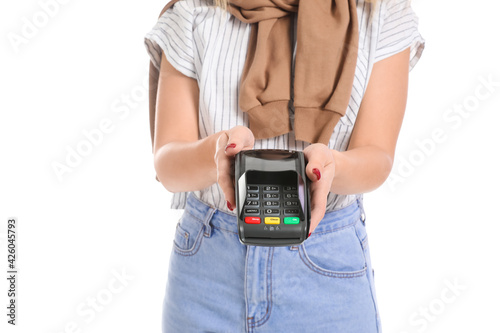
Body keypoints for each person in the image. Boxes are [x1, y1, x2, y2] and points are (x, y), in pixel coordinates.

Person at [144, 0, 424, 331]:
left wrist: (333, 166)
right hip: (208, 270)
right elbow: (167, 164)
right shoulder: (194, 10)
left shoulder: (382, 11)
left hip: (328, 269)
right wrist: (215, 153)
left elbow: (378, 154)